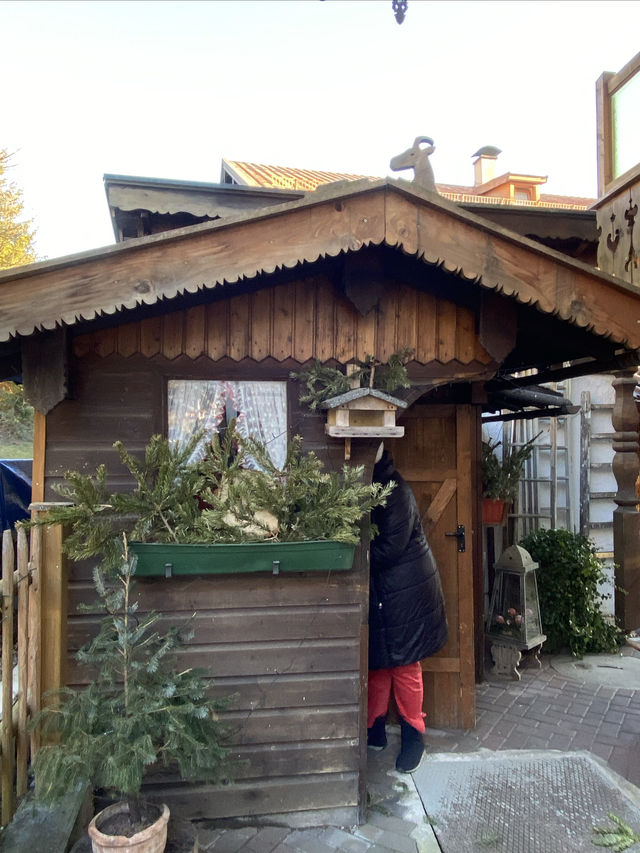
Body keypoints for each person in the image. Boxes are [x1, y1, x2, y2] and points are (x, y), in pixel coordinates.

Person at [368, 445, 448, 772]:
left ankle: (414, 735)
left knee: (404, 667)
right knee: (378, 665)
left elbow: (388, 548)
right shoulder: (372, 486)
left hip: (406, 594)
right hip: (385, 593)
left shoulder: (395, 490)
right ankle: (374, 729)